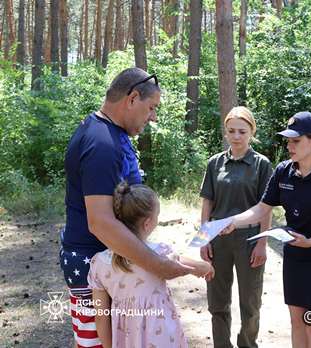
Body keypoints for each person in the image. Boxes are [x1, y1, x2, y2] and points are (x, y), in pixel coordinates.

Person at [60, 67, 192, 348]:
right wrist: (157, 265)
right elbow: (101, 222)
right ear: (132, 98)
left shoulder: (107, 132)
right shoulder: (101, 144)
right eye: (151, 108)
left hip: (111, 264)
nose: (153, 117)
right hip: (92, 264)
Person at [220, 111, 311, 348]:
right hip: (294, 255)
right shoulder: (283, 171)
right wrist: (233, 221)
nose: (290, 146)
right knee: (296, 319)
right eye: (288, 141)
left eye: (296, 141)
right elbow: (261, 208)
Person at [87, 182, 214, 347]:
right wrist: (206, 267)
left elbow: (101, 315)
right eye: (157, 215)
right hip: (161, 338)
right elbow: (192, 266)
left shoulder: (99, 263)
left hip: (126, 341)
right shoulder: (159, 254)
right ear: (147, 224)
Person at [199, 106, 273, 348]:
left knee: (250, 303)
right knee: (217, 302)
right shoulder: (215, 163)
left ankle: (247, 344)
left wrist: (262, 243)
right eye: (231, 131)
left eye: (242, 131)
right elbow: (207, 203)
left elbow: (266, 207)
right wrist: (203, 239)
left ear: (251, 132)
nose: (236, 136)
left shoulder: (262, 165)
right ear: (226, 133)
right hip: (218, 240)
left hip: (250, 240)